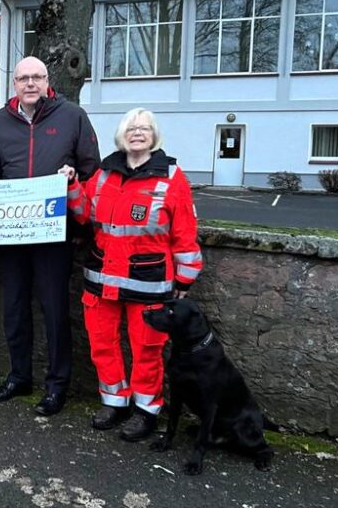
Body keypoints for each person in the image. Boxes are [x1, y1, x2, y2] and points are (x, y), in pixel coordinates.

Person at [64, 107, 203, 440]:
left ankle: (146, 410)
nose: (137, 133)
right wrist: (71, 185)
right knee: (102, 345)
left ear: (154, 136)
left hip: (150, 282)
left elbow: (184, 232)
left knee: (147, 350)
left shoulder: (172, 177)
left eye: (145, 128)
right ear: (121, 136)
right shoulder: (104, 173)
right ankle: (114, 402)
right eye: (131, 128)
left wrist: (185, 278)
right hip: (101, 281)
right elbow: (84, 213)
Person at [0, 56, 100, 416]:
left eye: (37, 77)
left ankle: (57, 385)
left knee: (54, 310)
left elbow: (92, 171)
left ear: (48, 81)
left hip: (54, 233)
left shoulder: (72, 116)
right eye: (23, 78)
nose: (30, 84)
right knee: (13, 309)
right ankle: (19, 377)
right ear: (13, 84)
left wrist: (78, 211)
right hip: (11, 234)